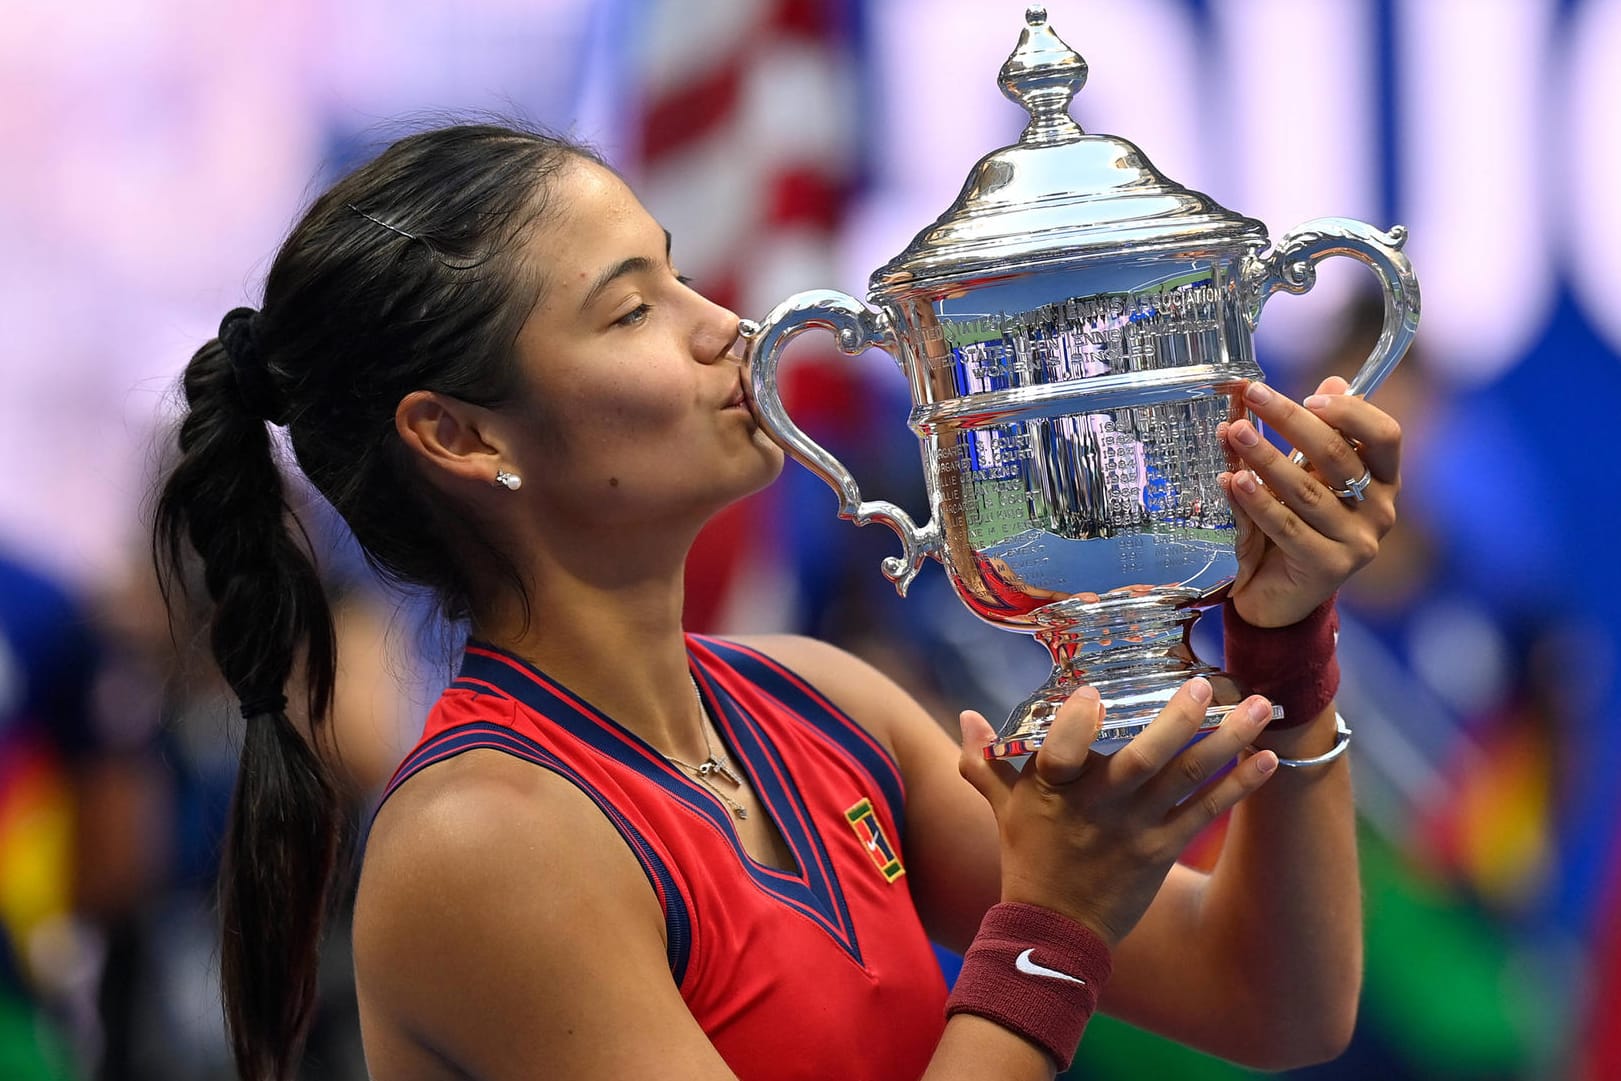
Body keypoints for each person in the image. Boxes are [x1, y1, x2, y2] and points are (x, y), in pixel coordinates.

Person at [152, 124, 1401, 1081]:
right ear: (461, 436)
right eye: (633, 308)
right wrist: (1048, 928)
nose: (729, 331)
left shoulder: (818, 703)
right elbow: (1058, 949)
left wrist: (1282, 643)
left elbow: (1274, 1002)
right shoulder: (484, 840)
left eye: (683, 277)